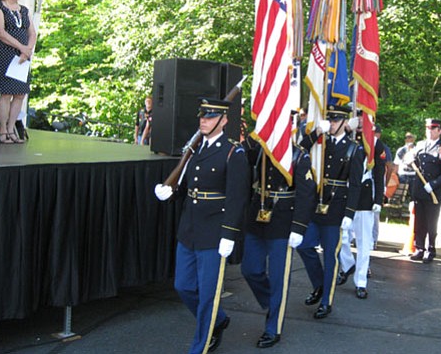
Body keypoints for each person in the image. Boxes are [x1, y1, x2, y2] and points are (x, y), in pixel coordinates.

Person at [154, 98, 250, 354]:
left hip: (214, 232)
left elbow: (237, 197)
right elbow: (187, 186)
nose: (203, 120)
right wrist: (169, 192)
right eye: (202, 116)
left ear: (224, 120)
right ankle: (218, 320)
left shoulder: (233, 152)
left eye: (209, 117)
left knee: (207, 295)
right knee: (183, 286)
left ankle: (201, 346)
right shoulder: (196, 149)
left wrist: (229, 234)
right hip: (190, 229)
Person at [241, 136, 317, 348]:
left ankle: (273, 328)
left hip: (284, 220)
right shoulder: (260, 150)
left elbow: (307, 194)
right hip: (258, 216)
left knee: (278, 278)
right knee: (250, 269)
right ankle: (272, 303)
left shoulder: (298, 156)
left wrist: (299, 227)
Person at [297, 104, 363, 319]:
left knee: (330, 256)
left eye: (335, 120)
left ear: (344, 123)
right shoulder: (320, 143)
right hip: (316, 205)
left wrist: (349, 214)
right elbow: (299, 149)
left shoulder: (354, 149)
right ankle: (319, 285)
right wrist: (317, 132)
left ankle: (326, 301)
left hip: (336, 209)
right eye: (330, 120)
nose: (331, 124)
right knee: (304, 245)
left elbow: (355, 185)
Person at [337, 119, 386, 298]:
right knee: (340, 238)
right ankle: (348, 264)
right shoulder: (346, 138)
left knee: (364, 243)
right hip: (345, 197)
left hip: (365, 200)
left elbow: (379, 174)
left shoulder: (375, 144)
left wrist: (378, 200)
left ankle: (361, 282)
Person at [0, 0, 35, 145]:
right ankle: (2, 131)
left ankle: (11, 129)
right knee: (6, 93)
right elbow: (0, 32)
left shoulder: (23, 10)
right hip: (5, 54)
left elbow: (32, 32)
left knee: (20, 94)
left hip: (22, 58)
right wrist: (21, 47)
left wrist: (27, 49)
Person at [408, 118, 441, 264]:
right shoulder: (420, 146)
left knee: (431, 222)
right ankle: (419, 248)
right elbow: (413, 164)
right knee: (419, 221)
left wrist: (433, 184)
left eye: (433, 128)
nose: (429, 131)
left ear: (439, 131)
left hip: (433, 193)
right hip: (419, 190)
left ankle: (430, 249)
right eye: (428, 128)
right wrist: (408, 160)